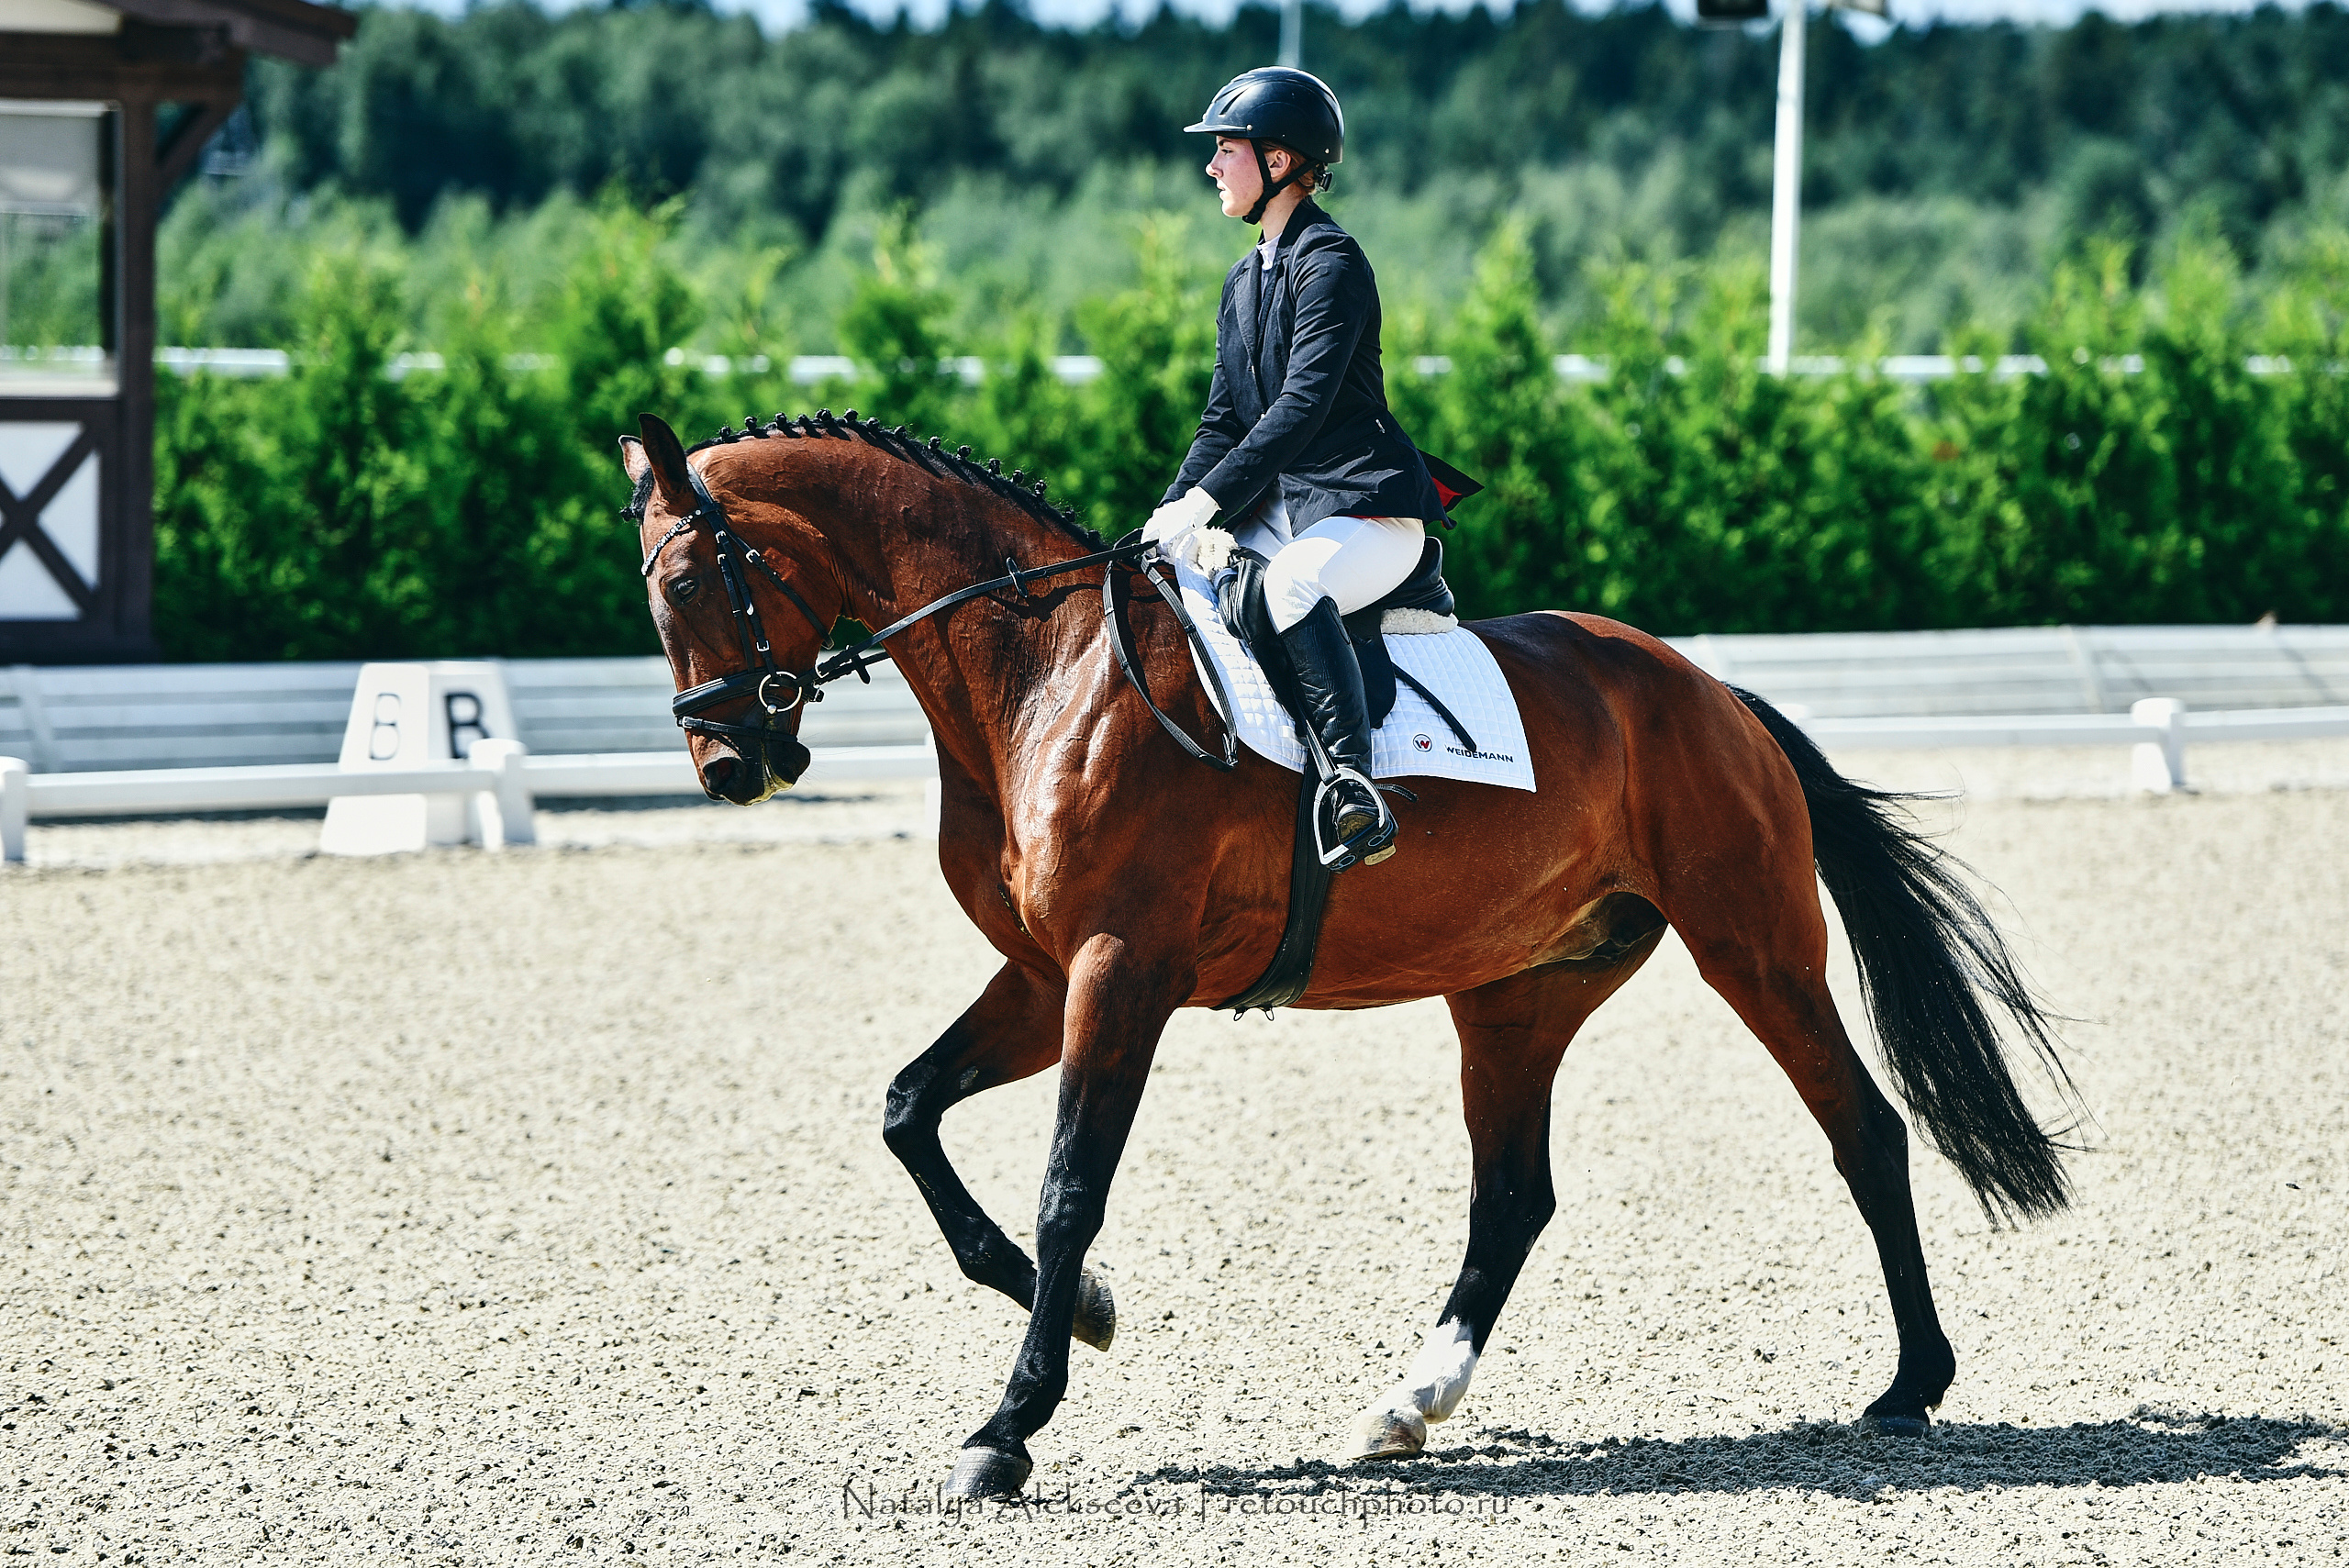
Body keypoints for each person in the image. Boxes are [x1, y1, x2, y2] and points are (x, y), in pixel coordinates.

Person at [1143, 66, 1450, 871]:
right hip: (1285, 513)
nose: (1212, 165)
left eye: (1226, 149)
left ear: (1279, 161)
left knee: (1289, 587)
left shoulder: (1332, 262)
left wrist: (1209, 501)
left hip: (1366, 510)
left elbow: (1300, 410)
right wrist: (1168, 514)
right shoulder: (1244, 281)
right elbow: (1223, 421)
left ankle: (1352, 784)